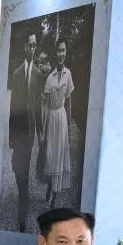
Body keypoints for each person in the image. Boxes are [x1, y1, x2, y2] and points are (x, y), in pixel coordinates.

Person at [8, 32, 43, 233]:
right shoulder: (16, 74)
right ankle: (22, 190)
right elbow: (13, 107)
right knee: (17, 167)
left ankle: (22, 215)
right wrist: (11, 138)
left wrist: (40, 134)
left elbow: (37, 106)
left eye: (34, 45)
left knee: (24, 172)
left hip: (29, 132)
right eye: (29, 45)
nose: (32, 49)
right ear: (24, 48)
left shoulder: (38, 74)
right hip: (18, 131)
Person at [41, 41, 75, 210]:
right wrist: (44, 127)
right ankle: (49, 186)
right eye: (59, 51)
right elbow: (46, 105)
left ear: (65, 52)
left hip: (61, 118)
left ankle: (54, 195)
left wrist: (68, 127)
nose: (61, 54)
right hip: (52, 118)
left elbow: (69, 102)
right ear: (55, 54)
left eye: (63, 50)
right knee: (50, 156)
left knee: (59, 157)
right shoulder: (50, 77)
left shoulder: (68, 74)